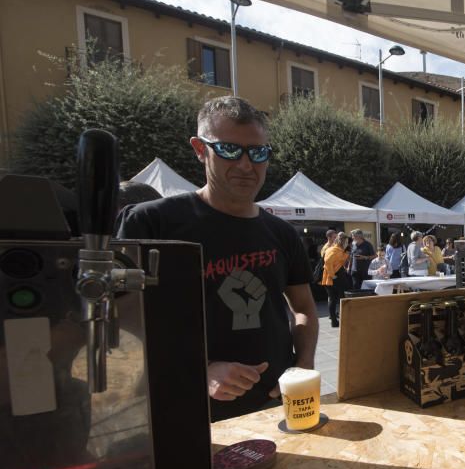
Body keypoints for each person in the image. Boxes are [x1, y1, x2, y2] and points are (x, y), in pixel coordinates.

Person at [118, 96, 318, 422]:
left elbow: (304, 308)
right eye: (228, 150)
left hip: (274, 403)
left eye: (257, 152)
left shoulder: (282, 233)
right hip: (187, 406)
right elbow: (124, 321)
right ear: (200, 149)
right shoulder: (151, 223)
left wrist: (303, 364)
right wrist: (202, 369)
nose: (245, 164)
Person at [321, 234, 350, 327]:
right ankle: (336, 320)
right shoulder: (334, 250)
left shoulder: (338, 250)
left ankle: (338, 319)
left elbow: (340, 261)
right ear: (342, 242)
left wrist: (346, 253)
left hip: (336, 276)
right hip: (334, 277)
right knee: (336, 298)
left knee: (335, 298)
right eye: (346, 242)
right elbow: (328, 263)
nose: (347, 244)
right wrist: (332, 275)